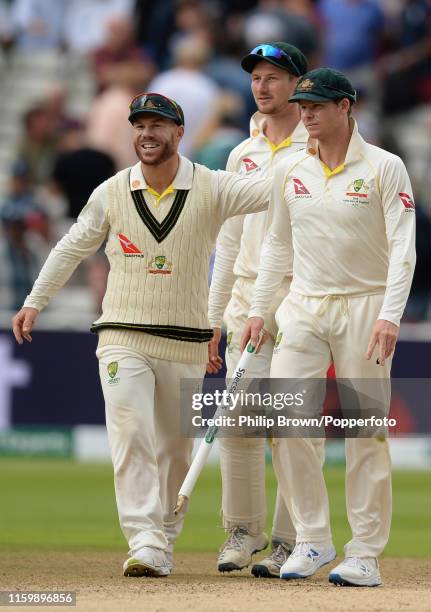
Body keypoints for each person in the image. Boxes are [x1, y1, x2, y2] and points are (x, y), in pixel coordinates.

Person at [11, 92, 272, 578]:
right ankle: (145, 539)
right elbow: (71, 247)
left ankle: (164, 538)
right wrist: (35, 300)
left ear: (179, 132)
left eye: (158, 125)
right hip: (122, 334)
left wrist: (300, 145)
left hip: (186, 340)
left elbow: (276, 191)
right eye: (139, 126)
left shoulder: (213, 187)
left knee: (174, 448)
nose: (147, 134)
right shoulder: (111, 191)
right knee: (130, 432)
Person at [243, 67, 416, 586]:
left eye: (317, 105)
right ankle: (313, 539)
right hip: (304, 305)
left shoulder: (385, 167)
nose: (307, 114)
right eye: (303, 105)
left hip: (366, 306)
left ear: (346, 107)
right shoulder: (291, 169)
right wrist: (258, 307)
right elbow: (276, 244)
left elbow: (404, 246)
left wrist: (390, 314)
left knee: (365, 431)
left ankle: (364, 553)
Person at [207, 41, 324, 578]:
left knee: (293, 428)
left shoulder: (318, 145)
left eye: (275, 76)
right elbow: (227, 241)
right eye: (256, 76)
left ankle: (289, 539)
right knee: (237, 423)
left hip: (301, 300)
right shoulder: (241, 153)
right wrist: (215, 314)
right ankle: (243, 530)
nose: (262, 85)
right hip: (244, 304)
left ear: (300, 85)